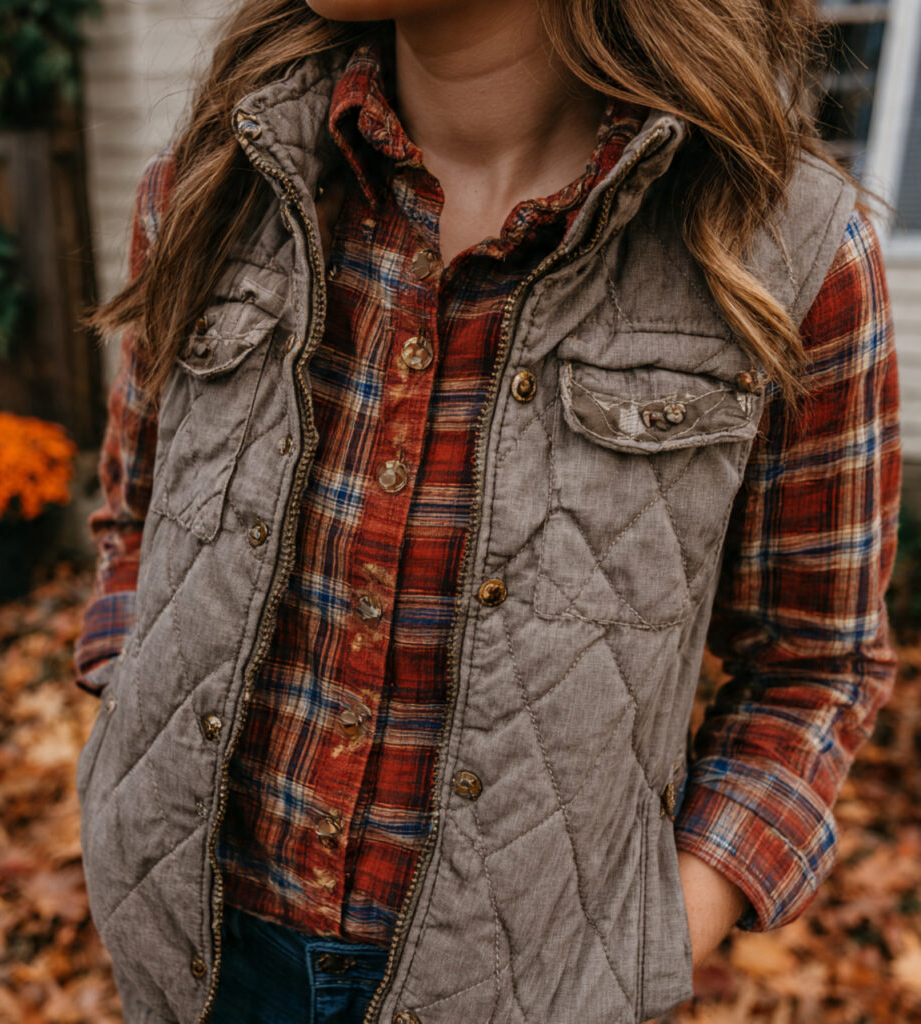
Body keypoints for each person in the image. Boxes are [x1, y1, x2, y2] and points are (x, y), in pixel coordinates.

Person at [72, 1, 901, 1022]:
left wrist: (652, 935)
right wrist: (126, 750)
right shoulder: (218, 175)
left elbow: (814, 670)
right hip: (193, 968)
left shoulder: (784, 252)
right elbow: (137, 514)